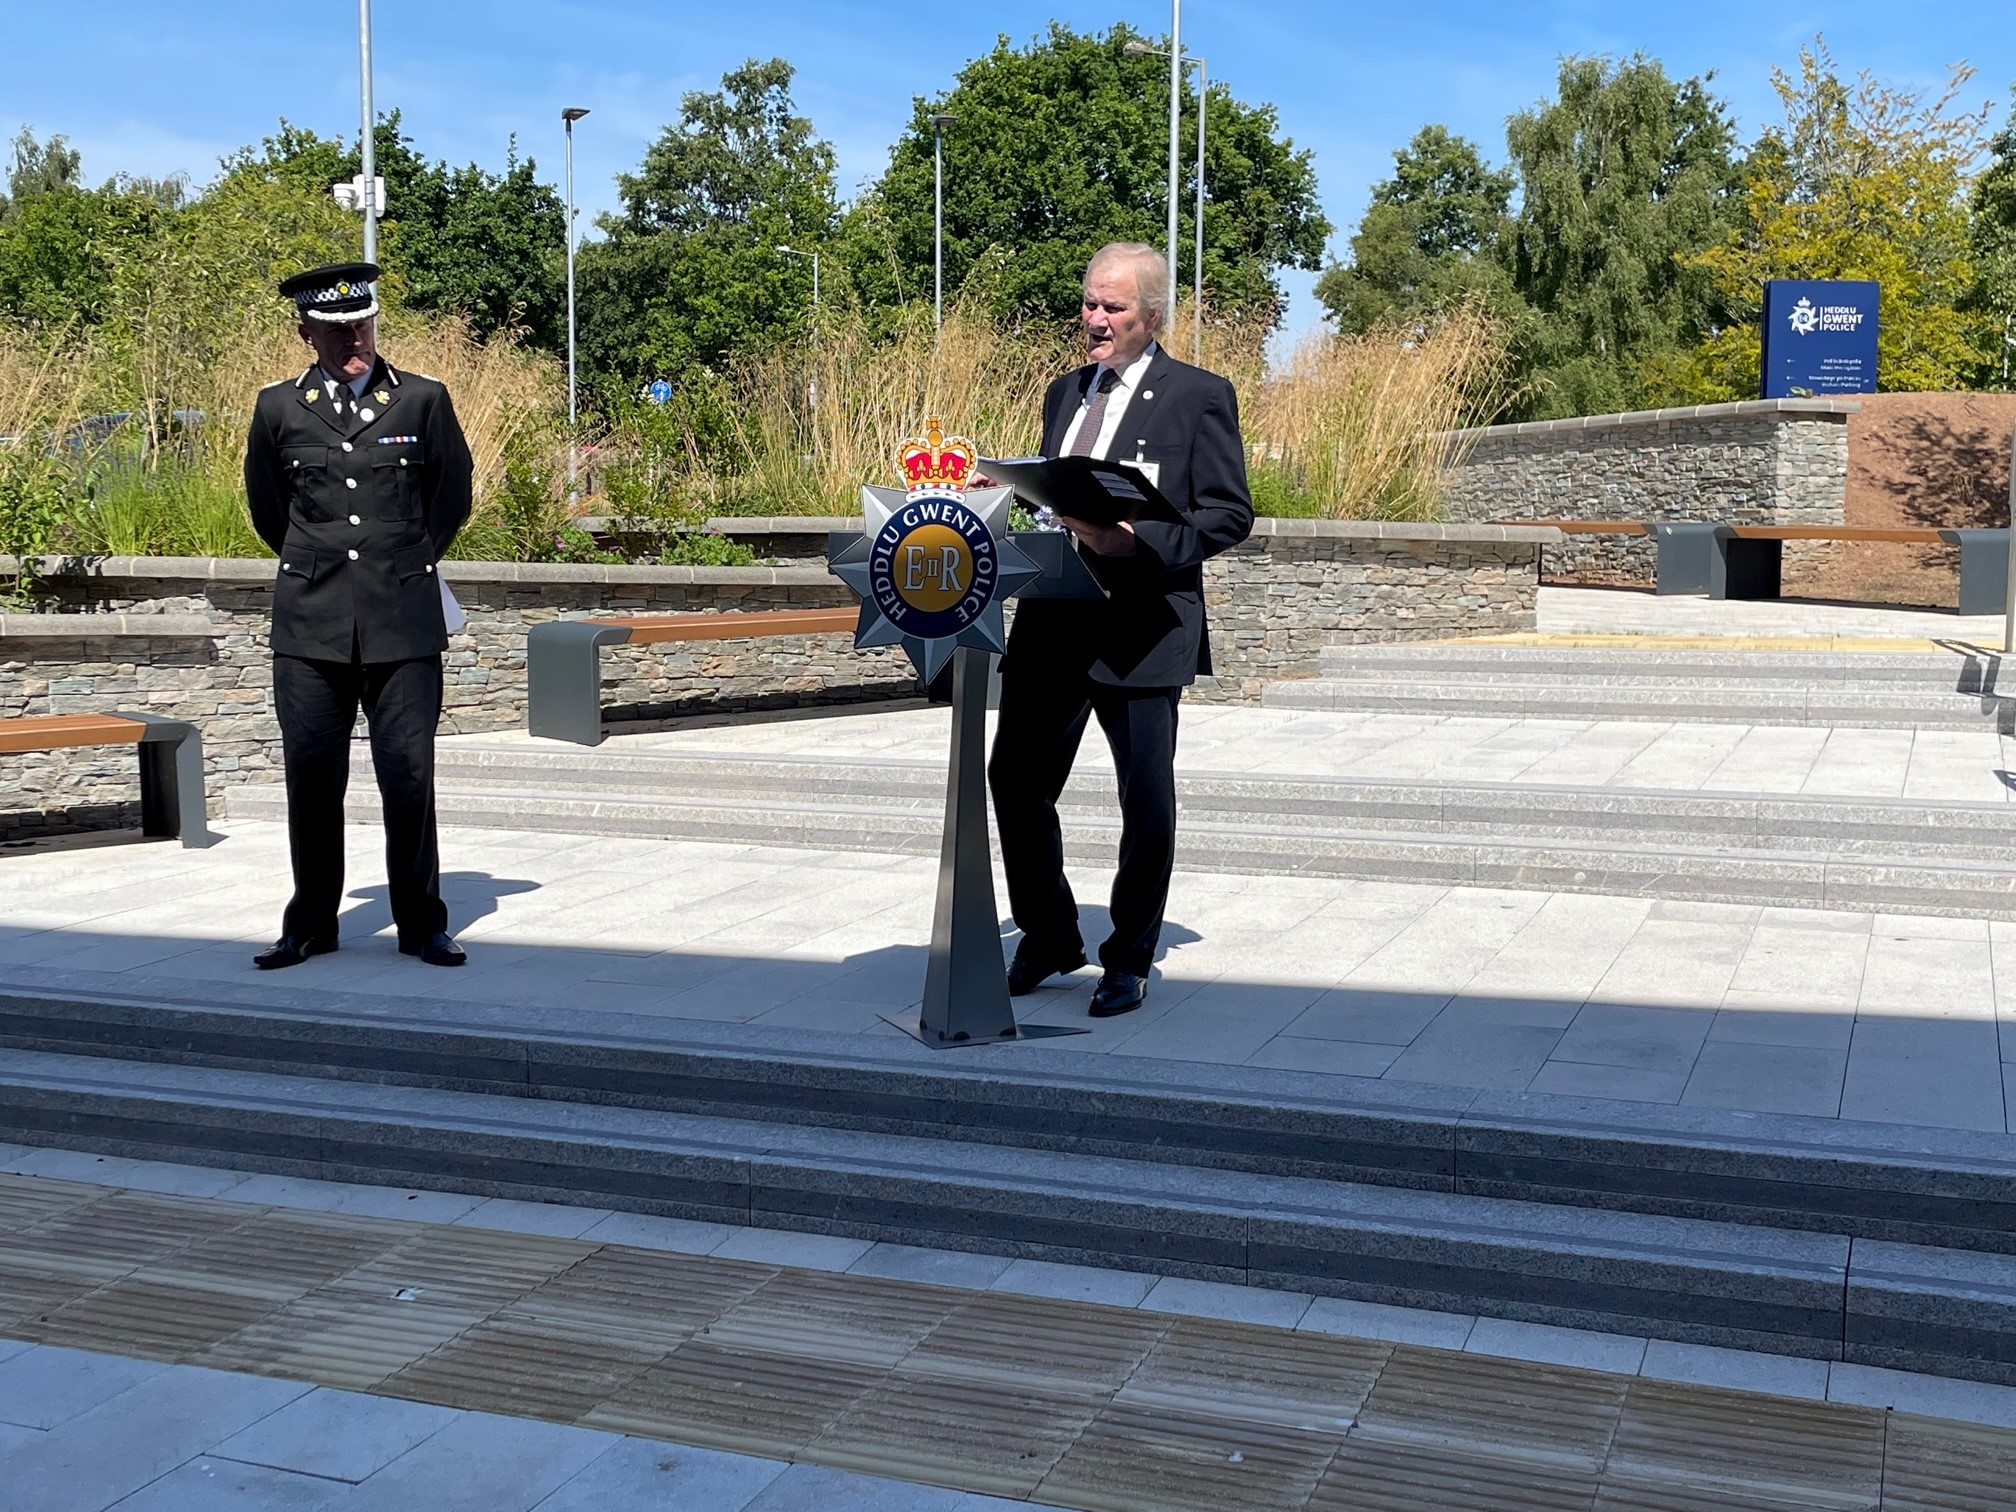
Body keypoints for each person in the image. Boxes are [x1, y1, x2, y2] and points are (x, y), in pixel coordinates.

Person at [987, 241, 1254, 1018]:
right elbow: (1056, 491)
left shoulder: (1199, 395)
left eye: (1113, 307)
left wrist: (1135, 543)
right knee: (1015, 781)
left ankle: (1129, 955)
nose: (1095, 320)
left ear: (1153, 316)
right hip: (1053, 618)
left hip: (1143, 624)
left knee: (1145, 796)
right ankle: (1048, 935)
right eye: (1089, 303)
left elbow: (1229, 514)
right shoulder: (1063, 391)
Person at [243, 262, 474, 970]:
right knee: (311, 776)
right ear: (306, 332)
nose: (353, 341)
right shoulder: (278, 407)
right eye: (337, 330)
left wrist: (404, 561)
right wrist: (323, 563)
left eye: (362, 324)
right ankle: (311, 922)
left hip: (401, 620)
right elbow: (266, 508)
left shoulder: (423, 401)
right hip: (310, 621)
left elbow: (451, 497)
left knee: (408, 773)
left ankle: (421, 922)